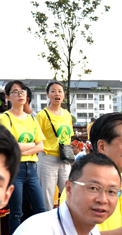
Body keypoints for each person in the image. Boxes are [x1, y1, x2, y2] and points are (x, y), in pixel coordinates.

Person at [0, 80, 46, 233]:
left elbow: (42, 146)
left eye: (23, 92)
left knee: (41, 210)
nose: (20, 95)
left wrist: (22, 150)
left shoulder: (32, 118)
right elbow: (9, 145)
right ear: (8, 96)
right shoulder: (5, 118)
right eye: (16, 92)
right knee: (16, 212)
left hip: (31, 169)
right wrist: (32, 145)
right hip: (15, 170)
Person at [36, 81, 74, 211]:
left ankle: (66, 222)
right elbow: (36, 138)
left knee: (67, 193)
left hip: (64, 159)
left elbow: (68, 137)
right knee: (47, 195)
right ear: (47, 95)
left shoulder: (67, 115)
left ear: (64, 95)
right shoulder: (42, 115)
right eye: (53, 91)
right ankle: (47, 226)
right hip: (48, 159)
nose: (57, 94)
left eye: (60, 91)